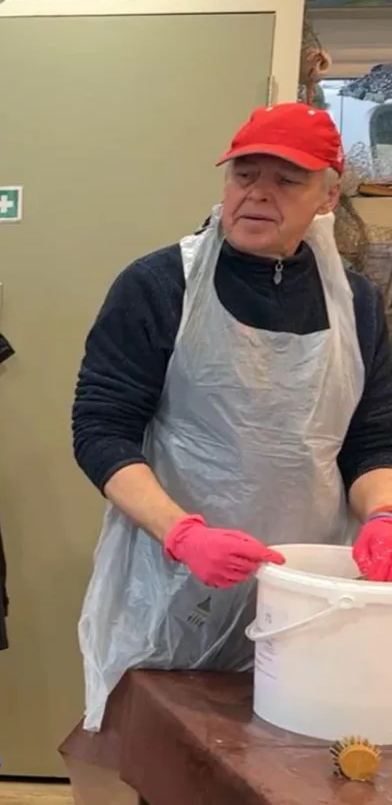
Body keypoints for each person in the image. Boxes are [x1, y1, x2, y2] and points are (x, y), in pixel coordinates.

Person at [71, 102, 392, 740]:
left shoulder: (355, 302)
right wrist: (183, 535)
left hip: (302, 590)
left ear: (328, 196)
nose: (259, 193)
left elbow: (371, 439)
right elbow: (101, 431)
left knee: (288, 751)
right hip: (172, 584)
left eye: (286, 180)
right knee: (161, 755)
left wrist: (382, 513)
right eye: (245, 174)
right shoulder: (160, 284)